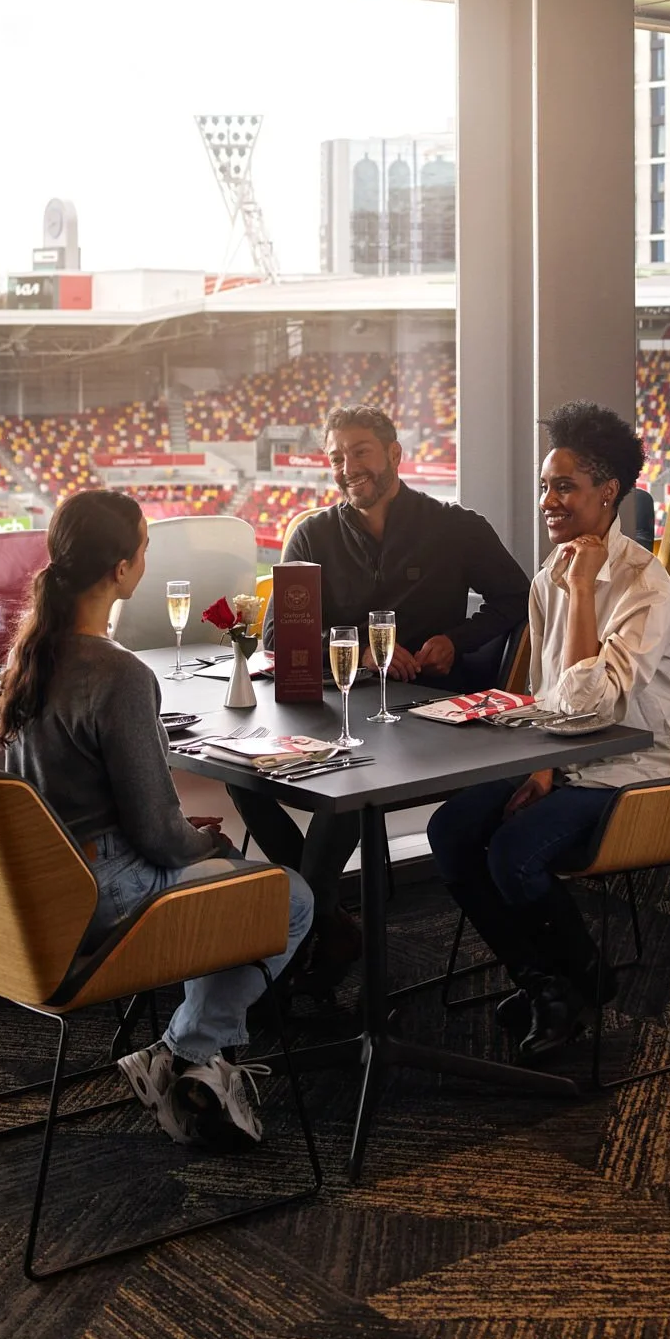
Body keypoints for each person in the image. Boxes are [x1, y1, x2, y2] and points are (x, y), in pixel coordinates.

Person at [0, 489, 313, 1150]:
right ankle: (184, 1051)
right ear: (122, 569)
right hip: (104, 893)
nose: (144, 559)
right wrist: (196, 841)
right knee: (291, 897)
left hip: (52, 881)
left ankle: (193, 1056)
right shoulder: (119, 675)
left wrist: (183, 837)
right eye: (143, 549)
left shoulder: (31, 656)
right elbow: (161, 840)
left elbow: (99, 802)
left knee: (227, 871)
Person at [426, 401, 670, 1063]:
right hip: (573, 758)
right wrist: (542, 766)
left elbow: (591, 707)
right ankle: (547, 981)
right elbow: (546, 696)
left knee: (513, 853)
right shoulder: (549, 574)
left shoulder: (644, 586)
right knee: (452, 830)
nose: (547, 501)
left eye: (564, 486)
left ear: (607, 492)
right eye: (545, 486)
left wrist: (584, 591)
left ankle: (578, 982)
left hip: (648, 766)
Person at [233, 405, 530, 993]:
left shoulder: (455, 526)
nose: (348, 467)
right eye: (336, 456)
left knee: (348, 781)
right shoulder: (311, 533)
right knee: (244, 776)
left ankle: (303, 938)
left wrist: (456, 639)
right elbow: (278, 638)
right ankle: (327, 919)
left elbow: (517, 598)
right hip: (339, 704)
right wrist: (360, 651)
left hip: (424, 708)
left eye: (360, 451)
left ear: (395, 454)